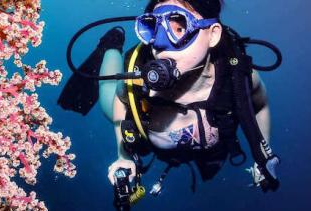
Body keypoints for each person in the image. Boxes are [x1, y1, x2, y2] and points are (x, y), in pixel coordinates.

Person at [59, 0, 281, 195]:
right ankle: (111, 45)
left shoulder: (237, 78)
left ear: (212, 34)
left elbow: (260, 105)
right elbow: (120, 101)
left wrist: (263, 153)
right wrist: (123, 155)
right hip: (142, 128)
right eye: (153, 28)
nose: (160, 43)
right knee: (107, 91)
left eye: (178, 27)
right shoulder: (139, 84)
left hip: (207, 151)